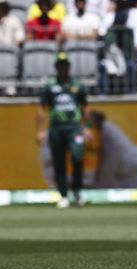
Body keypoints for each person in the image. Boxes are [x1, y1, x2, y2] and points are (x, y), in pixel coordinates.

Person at [36, 52, 91, 209]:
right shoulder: (50, 86)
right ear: (56, 67)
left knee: (77, 157)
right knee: (59, 162)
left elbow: (85, 107)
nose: (62, 68)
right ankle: (63, 195)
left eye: (65, 65)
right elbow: (41, 108)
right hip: (56, 128)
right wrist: (39, 130)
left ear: (69, 67)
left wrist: (86, 128)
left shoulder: (77, 85)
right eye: (60, 65)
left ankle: (78, 192)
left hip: (74, 128)